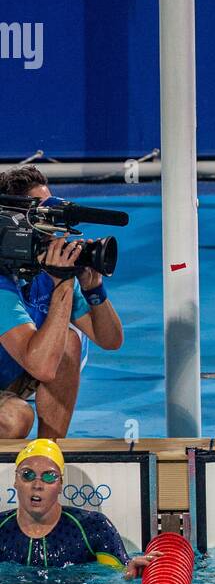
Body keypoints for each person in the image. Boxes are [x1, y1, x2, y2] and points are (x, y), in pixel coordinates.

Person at [0, 166, 123, 440]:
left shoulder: (48, 270)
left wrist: (93, 288)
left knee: (68, 342)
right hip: (14, 373)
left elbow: (111, 340)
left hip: (9, 373)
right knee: (15, 419)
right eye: (43, 216)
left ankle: (50, 452)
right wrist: (63, 281)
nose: (53, 229)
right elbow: (42, 367)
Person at [0, 439, 156, 576]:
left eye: (49, 476)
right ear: (15, 481)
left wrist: (131, 572)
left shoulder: (93, 527)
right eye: (27, 475)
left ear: (60, 485)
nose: (37, 485)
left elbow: (120, 575)